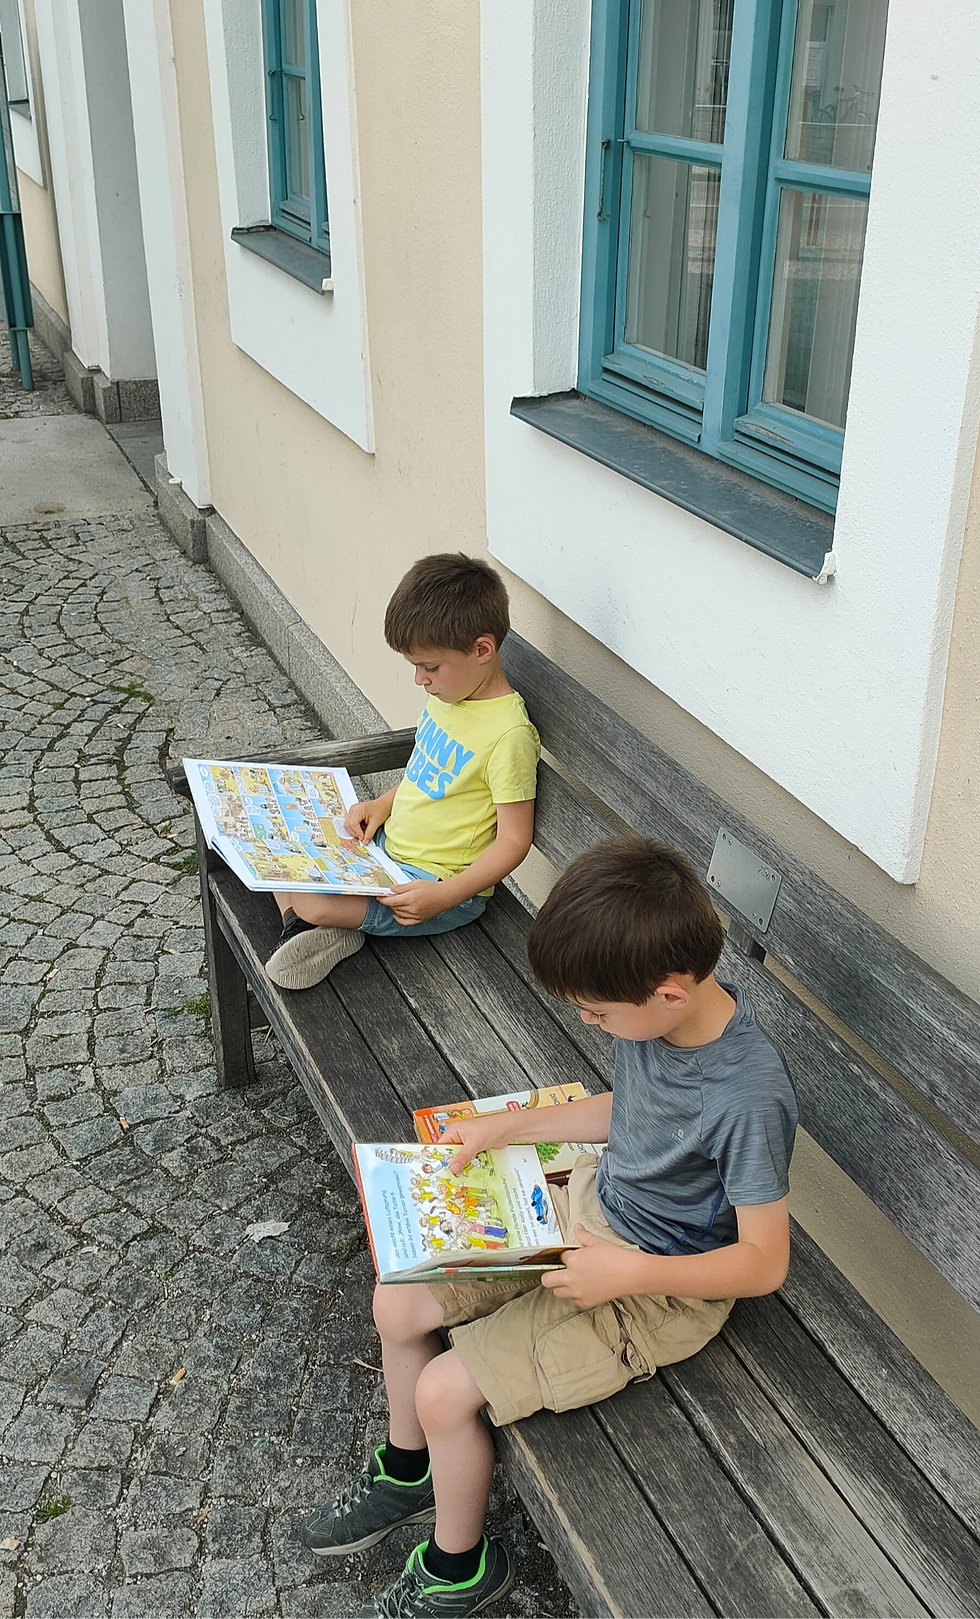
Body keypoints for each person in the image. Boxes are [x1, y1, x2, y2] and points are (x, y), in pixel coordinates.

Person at [298, 838, 798, 1618]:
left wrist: (630, 1275)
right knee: (397, 1302)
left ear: (668, 992)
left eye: (596, 1012)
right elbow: (630, 1114)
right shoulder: (665, 1019)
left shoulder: (748, 1095)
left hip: (658, 1287)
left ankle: (459, 1568)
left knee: (442, 1389)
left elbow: (765, 1261)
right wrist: (518, 1124)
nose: (591, 1022)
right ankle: (408, 1469)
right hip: (591, 1209)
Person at [265, 554, 539, 989]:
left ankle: (308, 924)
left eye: (429, 667)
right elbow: (423, 774)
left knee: (310, 898)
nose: (419, 680)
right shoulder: (451, 697)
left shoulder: (508, 735)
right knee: (278, 846)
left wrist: (446, 895)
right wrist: (380, 804)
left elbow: (513, 839)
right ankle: (317, 929)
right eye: (415, 666)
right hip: (389, 850)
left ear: (482, 650)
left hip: (435, 887)